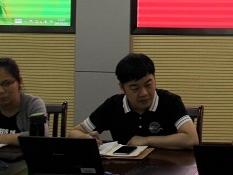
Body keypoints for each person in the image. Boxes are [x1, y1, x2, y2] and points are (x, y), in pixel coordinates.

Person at [68, 52, 198, 150]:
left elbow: (192, 139)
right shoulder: (113, 106)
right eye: (135, 88)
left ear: (155, 79)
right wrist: (86, 138)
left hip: (166, 170)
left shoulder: (170, 101)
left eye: (148, 85)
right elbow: (74, 133)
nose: (144, 93)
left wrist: (147, 140)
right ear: (122, 88)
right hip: (124, 171)